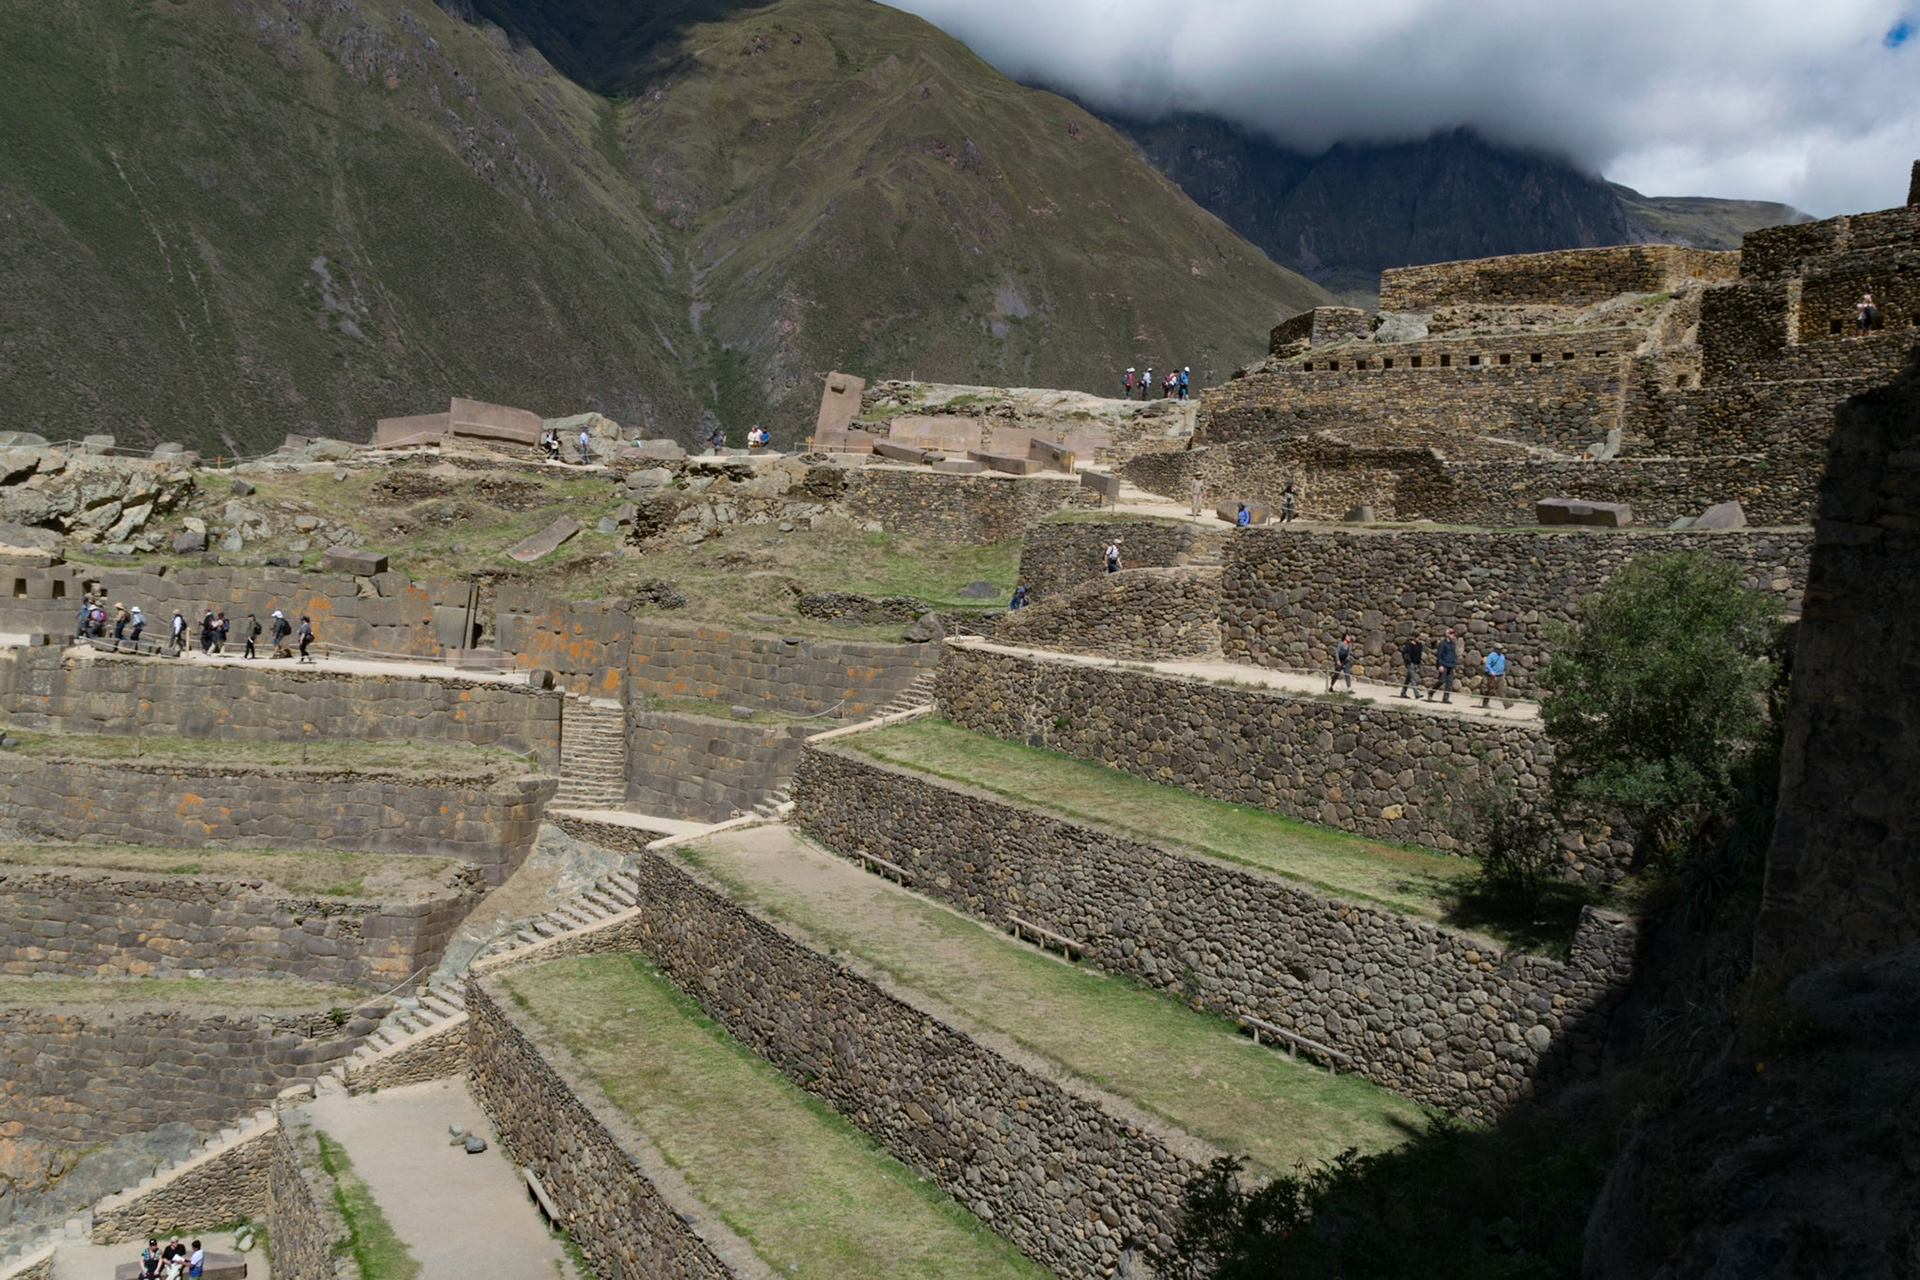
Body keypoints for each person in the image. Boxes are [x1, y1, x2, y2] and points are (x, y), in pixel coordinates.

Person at [1427, 627, 1458, 703]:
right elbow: (1439, 655)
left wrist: (1454, 667)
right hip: (1444, 664)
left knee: (1449, 682)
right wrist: (1440, 665)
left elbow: (1453, 655)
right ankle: (1431, 691)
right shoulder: (1442, 644)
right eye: (1451, 633)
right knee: (1441, 680)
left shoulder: (1453, 644)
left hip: (1450, 665)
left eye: (1453, 633)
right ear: (1447, 634)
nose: (1453, 635)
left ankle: (1446, 698)